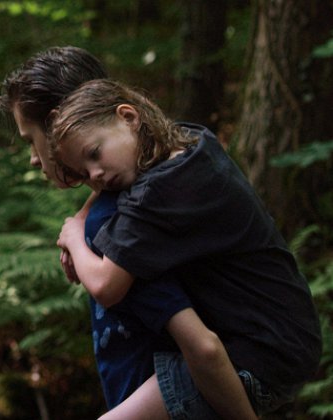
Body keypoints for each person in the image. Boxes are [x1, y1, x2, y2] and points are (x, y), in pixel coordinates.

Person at [0, 47, 257, 419]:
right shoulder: (171, 169)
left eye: (30, 139)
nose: (33, 158)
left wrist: (80, 231)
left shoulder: (124, 227)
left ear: (59, 125)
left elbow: (200, 346)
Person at [51, 78, 322, 418]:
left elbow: (106, 286)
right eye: (84, 173)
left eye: (94, 154)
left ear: (129, 117)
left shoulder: (156, 196)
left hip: (259, 355)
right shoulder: (192, 143)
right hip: (293, 335)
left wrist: (74, 236)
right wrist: (84, 212)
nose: (96, 175)